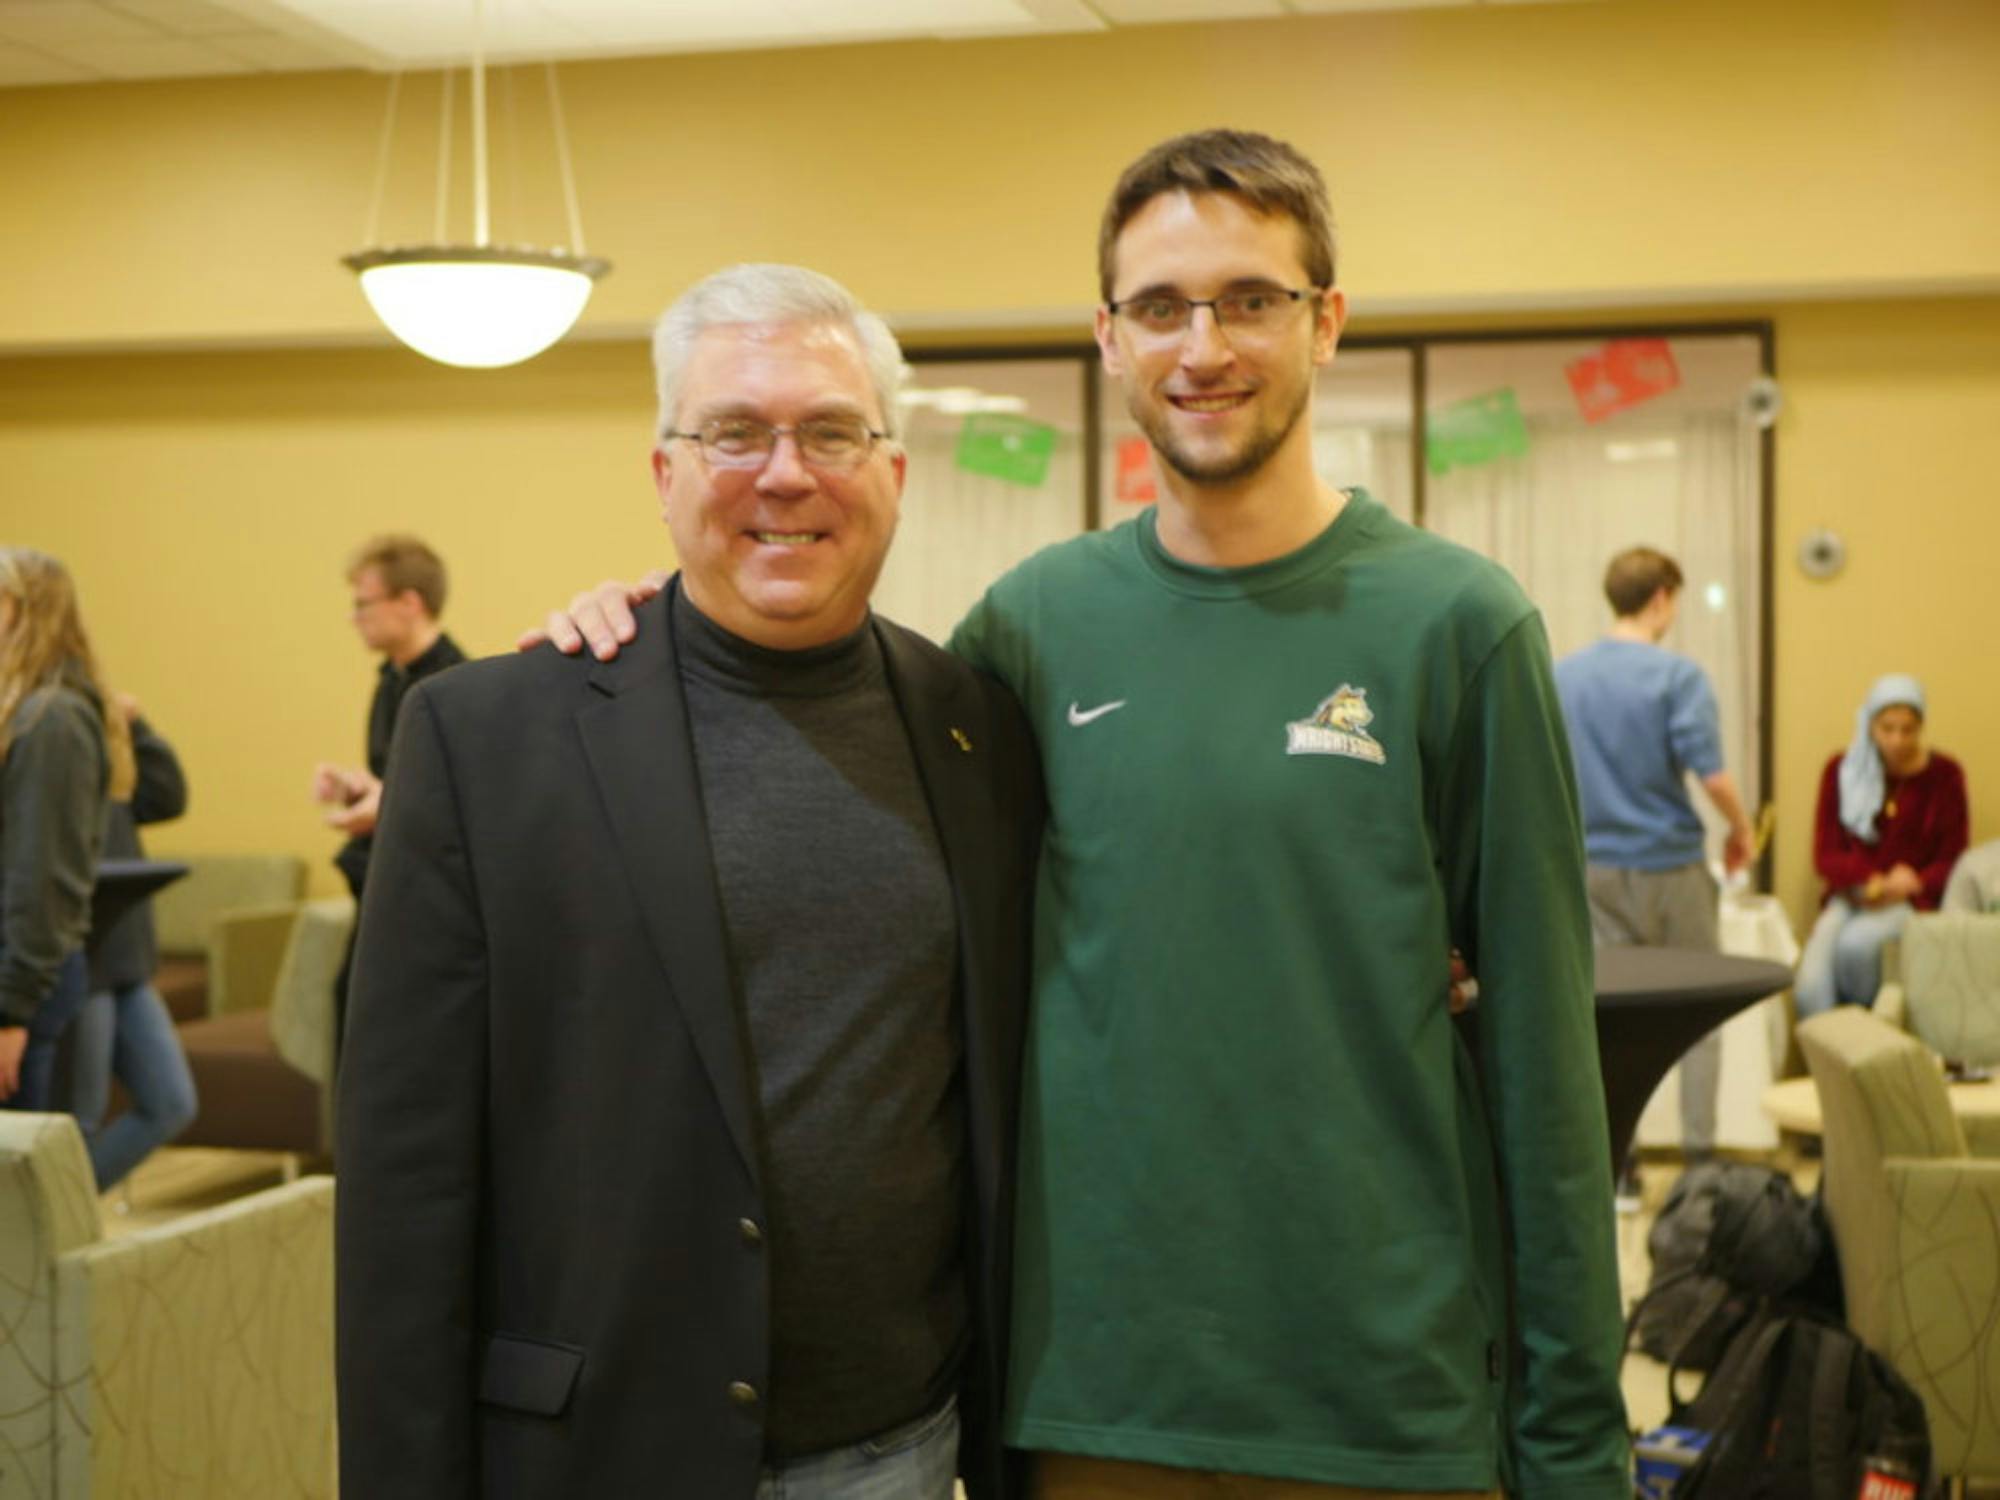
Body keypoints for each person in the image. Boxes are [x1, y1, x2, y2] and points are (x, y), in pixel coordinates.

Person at [538, 130, 1628, 1498]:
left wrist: (1578, 1444)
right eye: (1161, 307)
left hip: (1381, 1401)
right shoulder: (1028, 630)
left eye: (1250, 299)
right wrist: (636, 635)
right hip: (1088, 1404)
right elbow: (814, 741)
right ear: (1109, 338)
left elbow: (1545, 1079)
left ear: (1326, 321)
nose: (1204, 346)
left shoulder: (1459, 626)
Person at [335, 264, 1042, 1500]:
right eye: (732, 432)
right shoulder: (490, 738)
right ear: (664, 475)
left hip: (898, 1453)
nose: (784, 473)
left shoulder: (977, 725)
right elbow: (406, 1182)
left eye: (830, 431)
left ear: (893, 474)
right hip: (593, 1452)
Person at [1555, 546, 1755, 1175]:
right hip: (1669, 867)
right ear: (1662, 597)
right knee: (1700, 1009)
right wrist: (1741, 829)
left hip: (1593, 870)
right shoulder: (1677, 677)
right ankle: (1699, 1163)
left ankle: (1622, 1163)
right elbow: (1713, 775)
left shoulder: (1564, 676)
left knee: (1607, 1017)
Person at [311, 533, 464, 1057]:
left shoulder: (453, 685)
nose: (355, 617)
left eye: (363, 604)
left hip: (424, 894)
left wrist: (389, 804)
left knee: (391, 1032)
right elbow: (398, 776)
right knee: (349, 1011)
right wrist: (357, 787)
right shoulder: (391, 679)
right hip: (378, 876)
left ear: (409, 603)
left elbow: (461, 800)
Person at [0, 547, 131, 1111]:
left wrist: (11, 1010)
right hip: (22, 978)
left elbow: (44, 876)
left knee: (23, 1189)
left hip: (24, 986)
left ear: (24, 611)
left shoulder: (52, 719)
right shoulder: (29, 711)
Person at [72, 696, 198, 1189]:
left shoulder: (113, 775)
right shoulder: (47, 760)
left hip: (127, 963)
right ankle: (48, 1235)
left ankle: (58, 1219)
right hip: (85, 966)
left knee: (171, 1102)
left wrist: (136, 725)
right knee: (79, 1122)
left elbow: (167, 795)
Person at [1795, 673, 1968, 1016]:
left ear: (1920, 727)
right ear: (1870, 725)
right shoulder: (1842, 772)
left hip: (1909, 900)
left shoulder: (1945, 776)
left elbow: (1952, 857)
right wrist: (1874, 880)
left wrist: (1913, 882)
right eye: (1887, 728)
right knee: (1809, 988)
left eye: (1908, 729)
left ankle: (1858, 1041)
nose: (1897, 740)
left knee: (1857, 948)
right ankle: (1831, 1053)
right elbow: (1826, 855)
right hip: (1853, 895)